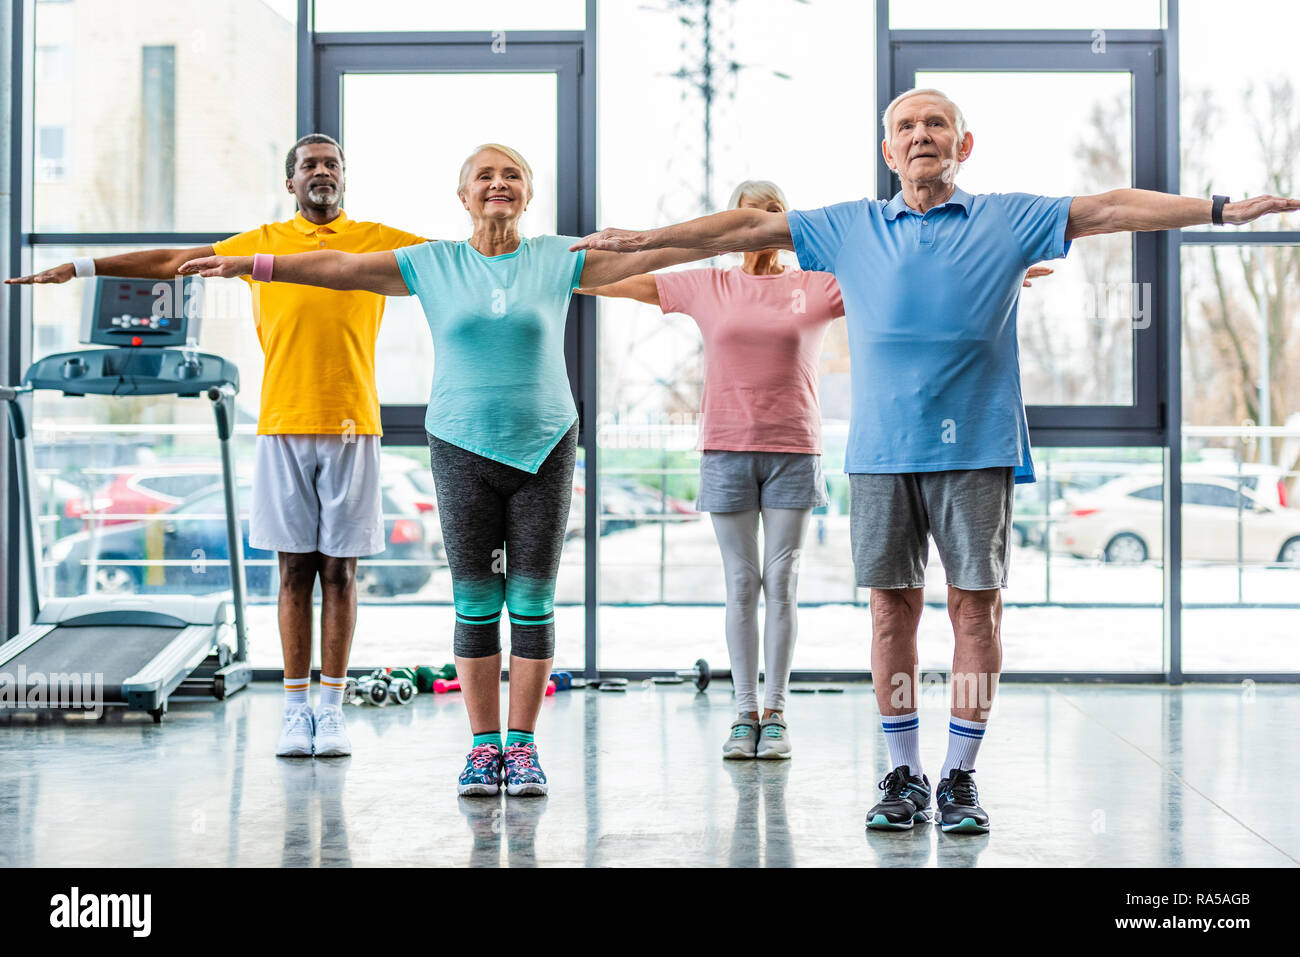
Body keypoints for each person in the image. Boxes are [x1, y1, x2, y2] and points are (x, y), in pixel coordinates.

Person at [569, 87, 1299, 833]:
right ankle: (902, 771)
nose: (921, 135)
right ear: (889, 150)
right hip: (881, 454)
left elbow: (1110, 207)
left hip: (978, 450)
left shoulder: (1008, 219)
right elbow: (749, 224)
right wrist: (648, 236)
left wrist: (1216, 210)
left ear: (963, 144)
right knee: (892, 612)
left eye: (935, 124)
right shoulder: (849, 228)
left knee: (973, 609)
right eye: (905, 127)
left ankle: (959, 775)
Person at [179, 143, 713, 797]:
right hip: (460, 447)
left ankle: (522, 748)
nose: (498, 183)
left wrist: (720, 238)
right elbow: (336, 267)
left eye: (511, 174)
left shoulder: (557, 258)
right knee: (477, 605)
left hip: (545, 446)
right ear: (462, 197)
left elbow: (652, 261)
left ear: (529, 192)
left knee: (533, 604)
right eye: (483, 176)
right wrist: (251, 263)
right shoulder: (434, 262)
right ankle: (482, 748)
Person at [7, 133, 428, 760]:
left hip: (353, 425)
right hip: (284, 423)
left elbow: (467, 261)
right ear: (290, 183)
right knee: (293, 571)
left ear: (344, 179)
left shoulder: (377, 239)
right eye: (309, 164)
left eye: (332, 164)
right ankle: (294, 711)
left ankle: (331, 711)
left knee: (340, 574)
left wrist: (566, 257)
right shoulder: (261, 242)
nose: (322, 171)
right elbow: (172, 262)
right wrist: (83, 268)